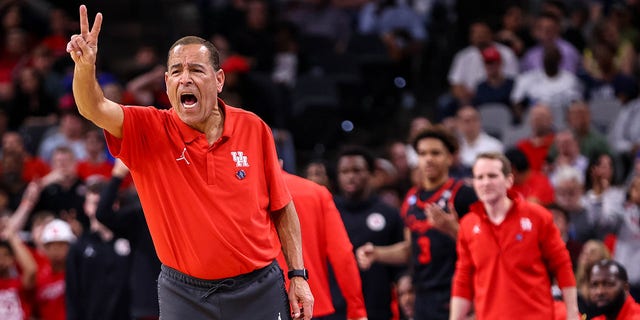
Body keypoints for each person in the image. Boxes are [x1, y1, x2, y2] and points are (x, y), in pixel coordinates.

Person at [65, 5, 313, 320]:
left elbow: (281, 206)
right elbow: (94, 106)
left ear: (219, 79)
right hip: (185, 294)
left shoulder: (254, 127)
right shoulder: (147, 129)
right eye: (177, 72)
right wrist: (85, 68)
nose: (185, 79)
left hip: (258, 288)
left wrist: (298, 275)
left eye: (196, 69)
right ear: (166, 82)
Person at [357, 126, 478, 319]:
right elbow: (409, 249)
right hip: (422, 295)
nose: (428, 158)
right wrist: (377, 253)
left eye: (435, 153)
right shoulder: (412, 198)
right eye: (422, 153)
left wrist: (452, 229)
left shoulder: (464, 194)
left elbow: (483, 247)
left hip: (456, 292)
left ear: (449, 157)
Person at [450, 152, 579, 320]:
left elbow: (562, 266)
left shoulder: (538, 217)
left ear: (509, 180)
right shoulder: (467, 225)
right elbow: (463, 279)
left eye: (492, 176)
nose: (486, 183)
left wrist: (572, 313)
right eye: (479, 177)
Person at [277, 167, 367, 320]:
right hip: (309, 304)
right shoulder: (316, 193)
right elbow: (342, 255)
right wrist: (357, 309)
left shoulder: (243, 194)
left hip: (256, 304)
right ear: (279, 161)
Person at [330, 145, 405, 320]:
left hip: (377, 308)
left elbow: (401, 266)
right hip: (335, 309)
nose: (350, 176)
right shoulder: (328, 212)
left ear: (371, 174)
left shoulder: (389, 214)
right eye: (344, 171)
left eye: (357, 170)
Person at [95, 159, 161, 320]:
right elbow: (103, 214)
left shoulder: (183, 210)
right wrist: (117, 175)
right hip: (149, 302)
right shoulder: (141, 215)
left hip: (184, 297)